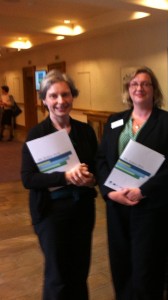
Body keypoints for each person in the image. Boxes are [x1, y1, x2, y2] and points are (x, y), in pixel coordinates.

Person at [96, 66, 168, 300]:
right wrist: (108, 193)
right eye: (134, 84)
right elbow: (102, 159)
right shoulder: (115, 121)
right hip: (117, 207)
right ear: (128, 89)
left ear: (154, 90)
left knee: (148, 268)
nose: (139, 88)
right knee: (121, 265)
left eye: (145, 83)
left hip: (150, 207)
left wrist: (142, 191)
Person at [20, 70, 98, 299]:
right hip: (51, 213)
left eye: (65, 95)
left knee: (80, 272)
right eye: (53, 96)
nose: (60, 101)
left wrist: (91, 178)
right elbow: (28, 178)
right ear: (44, 100)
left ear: (73, 96)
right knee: (58, 275)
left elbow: (96, 168)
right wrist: (64, 177)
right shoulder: (37, 133)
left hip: (82, 210)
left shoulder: (85, 131)